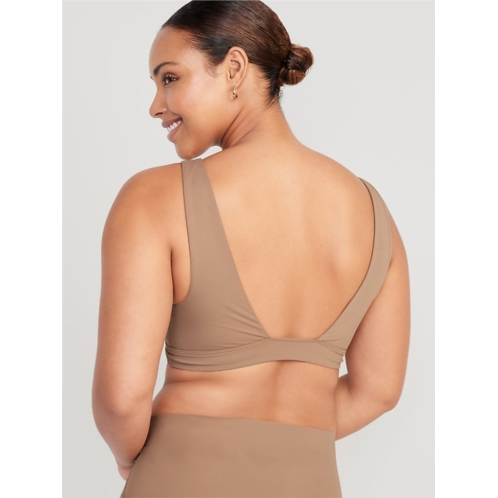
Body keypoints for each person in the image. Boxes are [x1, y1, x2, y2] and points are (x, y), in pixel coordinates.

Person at [92, 1, 411, 497]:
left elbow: (121, 397)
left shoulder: (153, 198)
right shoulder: (372, 212)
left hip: (181, 477)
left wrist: (131, 457)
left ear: (235, 68)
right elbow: (378, 391)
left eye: (170, 78)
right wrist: (282, 441)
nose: (156, 105)